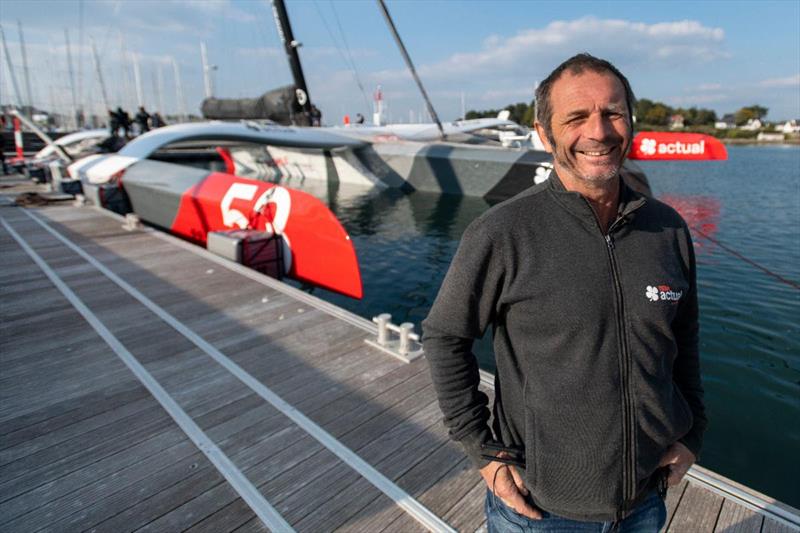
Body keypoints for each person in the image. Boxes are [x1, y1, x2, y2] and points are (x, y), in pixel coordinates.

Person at [422, 53, 706, 532]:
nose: (599, 132)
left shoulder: (668, 228)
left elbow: (686, 339)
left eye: (613, 113)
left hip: (646, 500)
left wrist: (694, 430)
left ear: (630, 122)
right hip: (543, 509)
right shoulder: (503, 232)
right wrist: (484, 452)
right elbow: (445, 337)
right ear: (543, 132)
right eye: (576, 117)